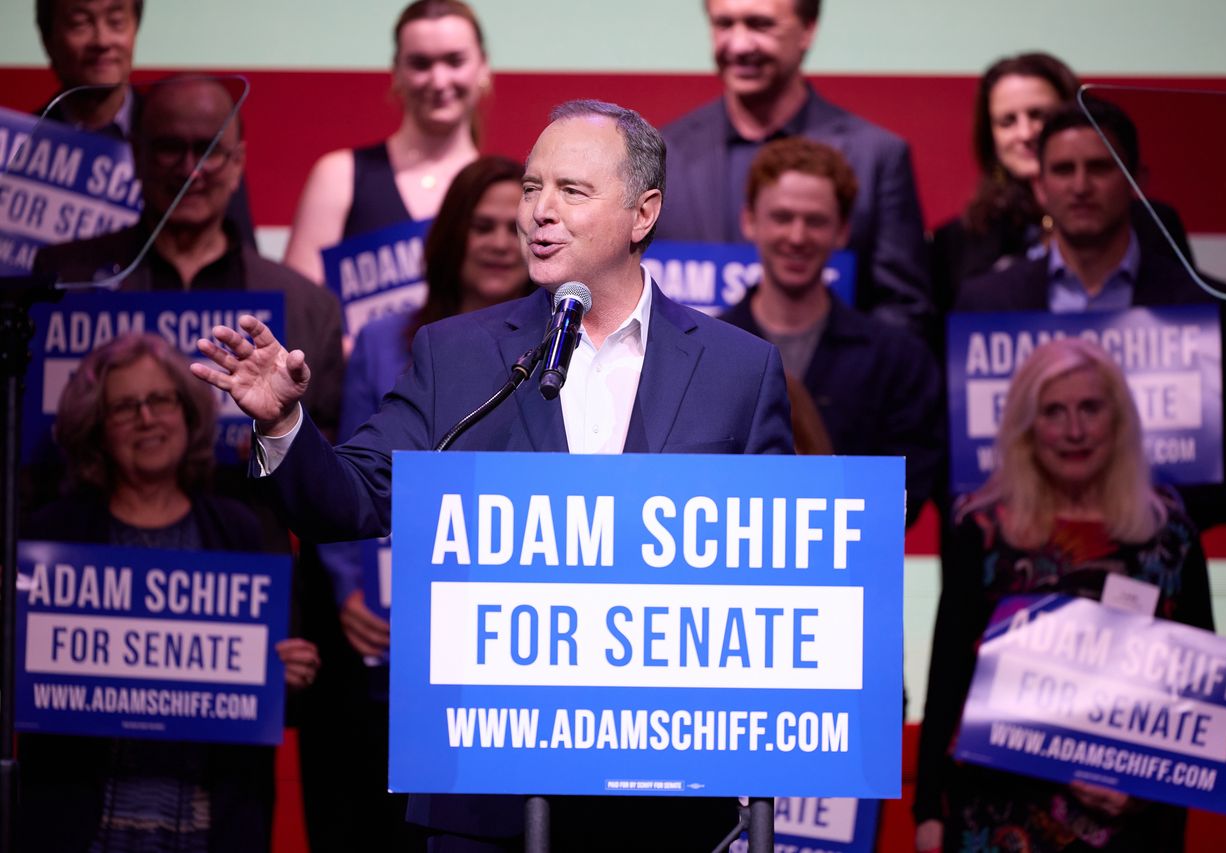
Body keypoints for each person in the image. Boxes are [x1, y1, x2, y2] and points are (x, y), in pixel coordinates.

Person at [192, 98, 792, 850]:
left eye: (570, 191)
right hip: (490, 794)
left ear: (643, 213)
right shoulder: (460, 354)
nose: (537, 211)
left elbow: (776, 567)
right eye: (533, 188)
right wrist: (283, 424)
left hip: (662, 792)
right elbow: (350, 498)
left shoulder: (738, 367)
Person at [17, 332, 320, 853]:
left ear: (186, 413)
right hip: (81, 827)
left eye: (161, 400)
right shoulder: (51, 540)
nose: (148, 418)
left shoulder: (240, 533)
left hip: (212, 828)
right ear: (96, 428)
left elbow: (265, 697)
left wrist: (287, 674)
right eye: (124, 407)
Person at [308, 155, 534, 852]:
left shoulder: (560, 350)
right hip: (386, 638)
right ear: (451, 238)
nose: (499, 241)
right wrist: (350, 592)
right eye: (482, 225)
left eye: (514, 227)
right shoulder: (385, 340)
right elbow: (354, 469)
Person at [914, 337, 1213, 852]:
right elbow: (947, 680)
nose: (1074, 430)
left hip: (1131, 820)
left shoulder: (1170, 535)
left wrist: (1143, 784)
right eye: (1054, 412)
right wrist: (928, 810)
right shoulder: (981, 531)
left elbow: (1200, 693)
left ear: (1119, 420)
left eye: (1090, 409)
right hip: (999, 814)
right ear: (1027, 427)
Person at [954, 101, 1226, 532]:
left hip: (1160, 568)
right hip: (1020, 566)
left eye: (1100, 167)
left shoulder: (1203, 304)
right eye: (1063, 170)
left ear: (1138, 182)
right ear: (1040, 187)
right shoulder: (985, 305)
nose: (1080, 186)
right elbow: (968, 474)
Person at [33, 75, 344, 442]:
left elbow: (327, 461)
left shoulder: (307, 308)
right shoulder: (65, 282)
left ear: (237, 162)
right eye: (169, 148)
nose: (189, 170)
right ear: (136, 155)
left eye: (208, 149)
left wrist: (280, 439)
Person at [658, 0, 932, 337]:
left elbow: (904, 311)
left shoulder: (876, 157)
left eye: (760, 24)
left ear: (808, 30)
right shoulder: (664, 153)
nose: (740, 45)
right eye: (724, 24)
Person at [720, 136, 943, 521]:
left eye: (816, 221)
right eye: (782, 217)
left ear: (842, 231)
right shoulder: (706, 351)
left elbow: (903, 502)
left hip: (852, 576)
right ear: (750, 221)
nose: (797, 237)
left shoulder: (899, 363)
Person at [930, 52, 1194, 337]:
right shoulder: (956, 241)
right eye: (1007, 121)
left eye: (1038, 115)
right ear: (990, 136)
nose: (1025, 133)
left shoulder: (1150, 223)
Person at [283, 0, 489, 284]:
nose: (439, 81)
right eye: (420, 64)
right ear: (397, 71)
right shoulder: (340, 175)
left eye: (455, 61)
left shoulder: (505, 189)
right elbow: (300, 312)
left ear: (483, 66)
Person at [35, 0, 257, 243]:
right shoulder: (16, 149)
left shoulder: (194, 138)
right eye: (80, 23)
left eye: (116, 22)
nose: (102, 41)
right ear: (47, 40)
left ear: (135, 30)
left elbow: (240, 262)